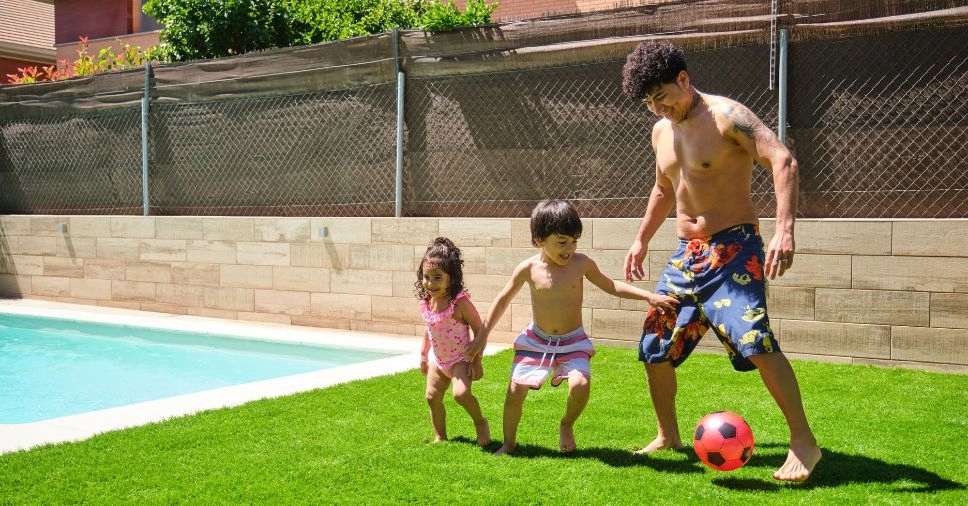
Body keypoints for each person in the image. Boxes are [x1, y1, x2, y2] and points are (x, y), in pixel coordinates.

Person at [621, 41, 821, 481]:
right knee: (655, 343)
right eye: (650, 102)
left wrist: (784, 229)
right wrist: (640, 240)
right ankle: (668, 435)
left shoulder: (727, 116)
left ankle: (804, 442)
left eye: (663, 97)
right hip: (686, 255)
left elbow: (783, 160)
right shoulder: (660, 131)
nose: (659, 108)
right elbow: (663, 189)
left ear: (684, 80)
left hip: (733, 248)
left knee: (755, 340)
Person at [472, 199, 678, 455]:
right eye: (562, 242)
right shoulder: (528, 268)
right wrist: (483, 336)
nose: (569, 249)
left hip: (572, 340)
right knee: (515, 390)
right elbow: (502, 300)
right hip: (537, 339)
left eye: (574, 241)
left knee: (580, 385)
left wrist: (648, 296)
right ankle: (509, 443)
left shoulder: (581, 264)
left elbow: (611, 285)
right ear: (539, 240)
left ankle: (566, 424)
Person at [416, 237, 490, 446]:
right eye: (426, 277)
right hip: (438, 360)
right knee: (431, 397)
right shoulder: (428, 301)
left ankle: (480, 422)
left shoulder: (460, 303)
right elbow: (430, 328)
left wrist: (477, 360)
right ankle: (440, 435)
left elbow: (480, 330)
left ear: (452, 278)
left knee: (461, 394)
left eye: (437, 278)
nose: (430, 283)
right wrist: (423, 354)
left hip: (460, 359)